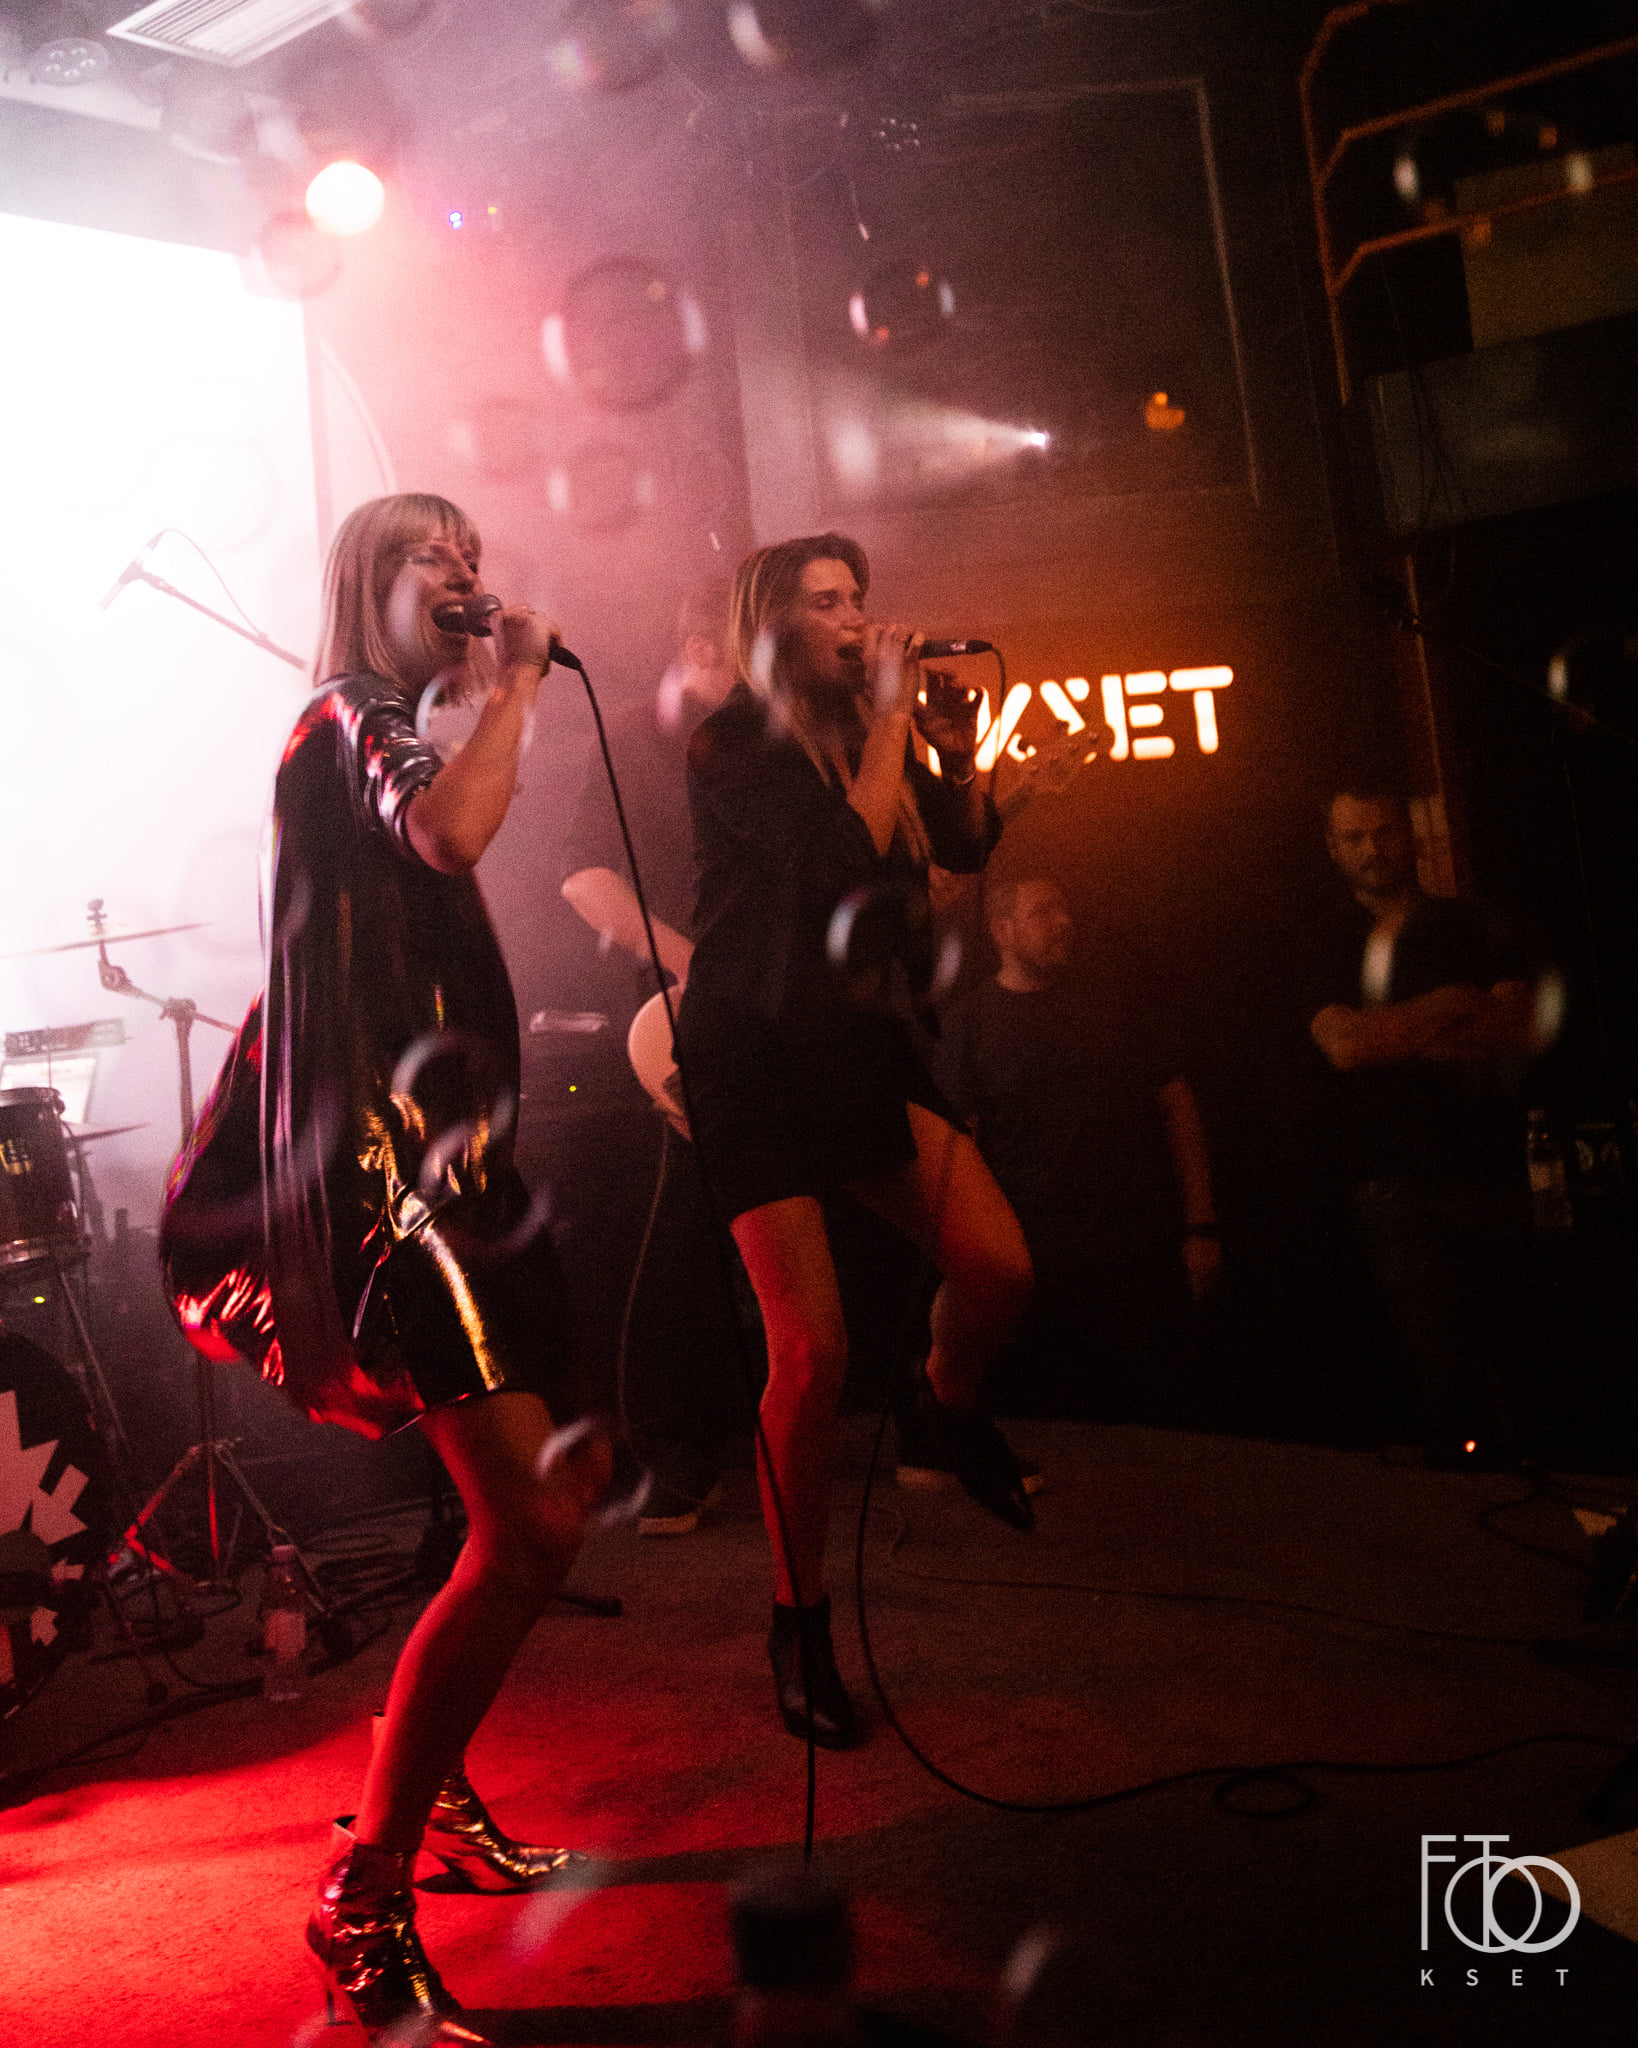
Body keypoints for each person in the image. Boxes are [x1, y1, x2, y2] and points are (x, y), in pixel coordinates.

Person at [160, 494, 609, 2044]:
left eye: (473, 554)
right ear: (370, 581)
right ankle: (363, 1895)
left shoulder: (396, 724)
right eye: (435, 555)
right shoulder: (345, 716)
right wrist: (521, 681)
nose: (467, 577)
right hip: (388, 1180)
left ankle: (437, 1786)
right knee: (532, 1523)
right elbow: (452, 830)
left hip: (459, 1165)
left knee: (538, 1495)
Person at [676, 530, 1035, 1751]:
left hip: (859, 1047)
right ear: (774, 621)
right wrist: (888, 721)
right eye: (826, 601)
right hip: (752, 1058)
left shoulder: (861, 736)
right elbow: (837, 863)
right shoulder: (731, 741)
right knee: (811, 1352)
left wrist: (954, 755)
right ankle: (801, 1621)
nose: (853, 616)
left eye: (857, 597)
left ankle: (943, 1396)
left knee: (997, 1264)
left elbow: (961, 848)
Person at [558, 582, 750, 1534]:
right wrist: (697, 968)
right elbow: (586, 880)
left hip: (776, 1009)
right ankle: (675, 1451)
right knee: (682, 1243)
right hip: (688, 1018)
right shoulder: (638, 738)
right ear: (704, 648)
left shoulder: (770, 739)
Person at [1307, 782, 1554, 1466]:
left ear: (1410, 835)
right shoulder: (1326, 940)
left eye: (1383, 832)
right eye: (1354, 837)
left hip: (1494, 1169)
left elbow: (1518, 1028)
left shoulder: (1471, 924)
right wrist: (1453, 1001)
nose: (1371, 850)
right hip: (1397, 1185)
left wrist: (1392, 1034)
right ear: (1332, 848)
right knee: (1440, 1372)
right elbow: (1346, 1047)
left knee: (1528, 1355)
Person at [935, 874, 1221, 1430]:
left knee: (1154, 1423)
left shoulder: (1110, 1004)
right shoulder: (970, 1023)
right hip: (1038, 1259)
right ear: (1002, 931)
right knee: (1058, 1427)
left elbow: (1177, 1106)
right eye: (1043, 912)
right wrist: (980, 1268)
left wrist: (1201, 1226)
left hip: (1133, 1252)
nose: (1063, 922)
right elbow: (962, 1152)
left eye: (1064, 910)